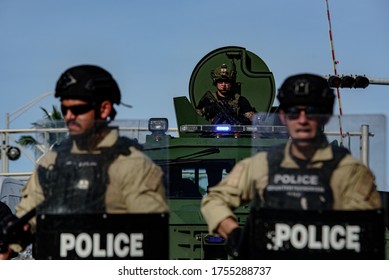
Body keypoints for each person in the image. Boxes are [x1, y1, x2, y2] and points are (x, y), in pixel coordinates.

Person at [1, 65, 169, 259]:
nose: (69, 116)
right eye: (65, 109)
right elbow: (25, 223)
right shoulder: (51, 163)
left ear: (104, 108)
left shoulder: (135, 165)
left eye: (78, 109)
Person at [200, 73, 382, 249]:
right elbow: (214, 201)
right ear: (284, 117)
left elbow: (366, 225)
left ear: (325, 115)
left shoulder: (349, 170)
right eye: (294, 112)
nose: (302, 120)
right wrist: (236, 236)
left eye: (312, 111)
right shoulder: (262, 164)